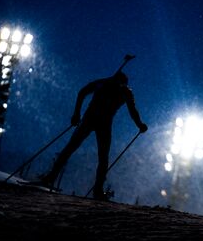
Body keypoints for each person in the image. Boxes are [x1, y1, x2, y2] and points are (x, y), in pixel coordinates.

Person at [38, 71, 148, 200]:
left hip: (98, 122)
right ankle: (52, 178)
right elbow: (83, 92)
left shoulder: (120, 89)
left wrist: (139, 124)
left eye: (120, 84)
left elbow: (132, 110)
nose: (117, 85)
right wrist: (76, 114)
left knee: (96, 155)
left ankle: (96, 190)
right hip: (92, 121)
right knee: (78, 149)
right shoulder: (106, 84)